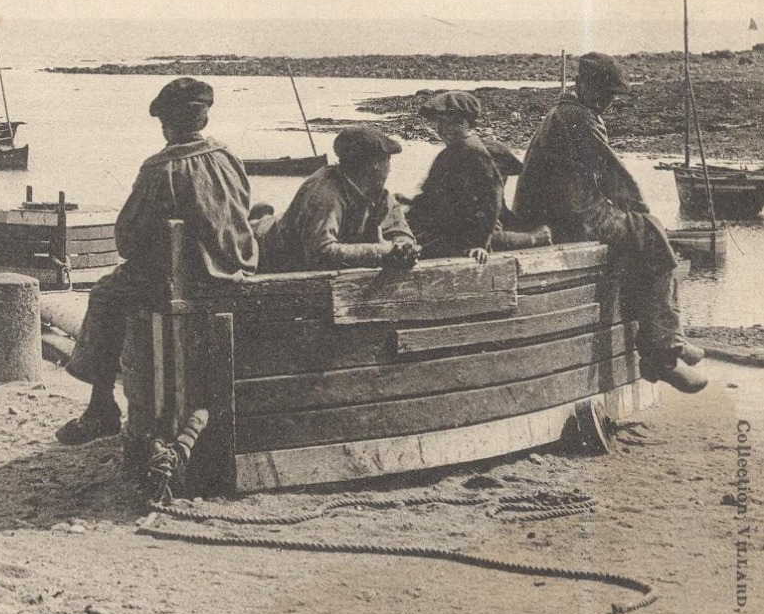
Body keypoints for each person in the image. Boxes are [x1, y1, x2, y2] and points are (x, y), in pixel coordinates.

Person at [56, 78, 257, 445]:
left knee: (104, 294)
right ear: (204, 119)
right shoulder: (229, 157)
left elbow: (127, 240)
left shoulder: (161, 168)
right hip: (238, 270)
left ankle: (101, 408)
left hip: (189, 282)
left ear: (167, 124)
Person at [511, 51, 706, 392]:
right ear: (582, 85)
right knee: (652, 234)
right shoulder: (577, 119)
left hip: (566, 210)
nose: (608, 103)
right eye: (604, 94)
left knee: (647, 233)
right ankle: (662, 353)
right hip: (565, 219)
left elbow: (603, 177)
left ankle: (670, 338)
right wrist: (644, 215)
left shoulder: (567, 112)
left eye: (612, 97)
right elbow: (617, 177)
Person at [255, 125, 418, 272]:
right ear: (373, 166)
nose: (389, 169)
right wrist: (381, 251)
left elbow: (401, 232)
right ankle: (259, 216)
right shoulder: (326, 193)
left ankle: (262, 215)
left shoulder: (376, 193)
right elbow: (320, 253)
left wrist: (402, 247)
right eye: (387, 162)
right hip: (263, 248)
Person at [405, 91, 504, 262]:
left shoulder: (475, 153)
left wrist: (479, 243)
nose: (441, 130)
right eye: (439, 124)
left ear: (466, 124)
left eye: (450, 124)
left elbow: (491, 200)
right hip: (443, 227)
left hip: (463, 236)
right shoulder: (448, 154)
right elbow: (431, 193)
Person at [482, 138, 552, 251]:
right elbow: (485, 239)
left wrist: (536, 229)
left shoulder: (493, 196)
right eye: (498, 175)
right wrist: (531, 238)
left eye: (504, 176)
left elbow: (507, 218)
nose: (501, 182)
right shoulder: (468, 197)